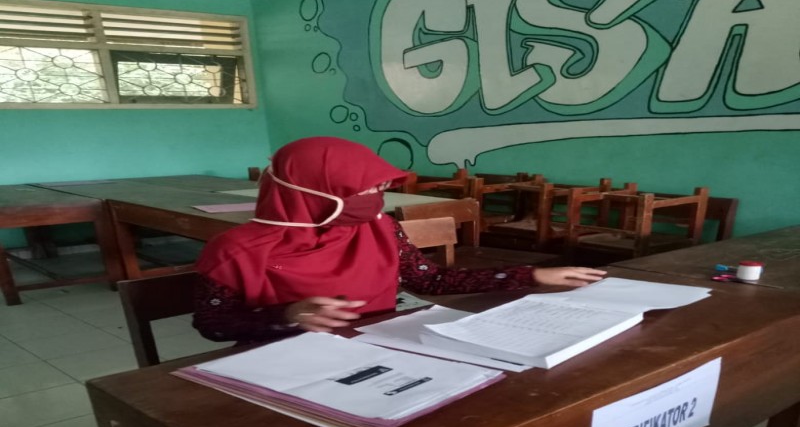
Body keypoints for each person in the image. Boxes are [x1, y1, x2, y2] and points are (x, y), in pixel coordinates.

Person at [193, 137, 605, 343]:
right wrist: (287, 315)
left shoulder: (378, 227)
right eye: (363, 189)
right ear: (310, 193)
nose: (376, 198)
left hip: (382, 344)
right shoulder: (236, 251)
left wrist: (532, 275)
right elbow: (213, 325)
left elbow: (430, 280)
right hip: (282, 359)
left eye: (378, 188)